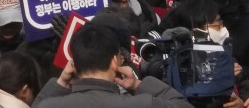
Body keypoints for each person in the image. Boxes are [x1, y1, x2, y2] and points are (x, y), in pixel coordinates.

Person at [33, 24, 191, 108]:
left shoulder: (49, 105)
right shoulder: (143, 104)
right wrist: (138, 84)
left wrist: (60, 83)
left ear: (73, 64)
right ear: (115, 61)